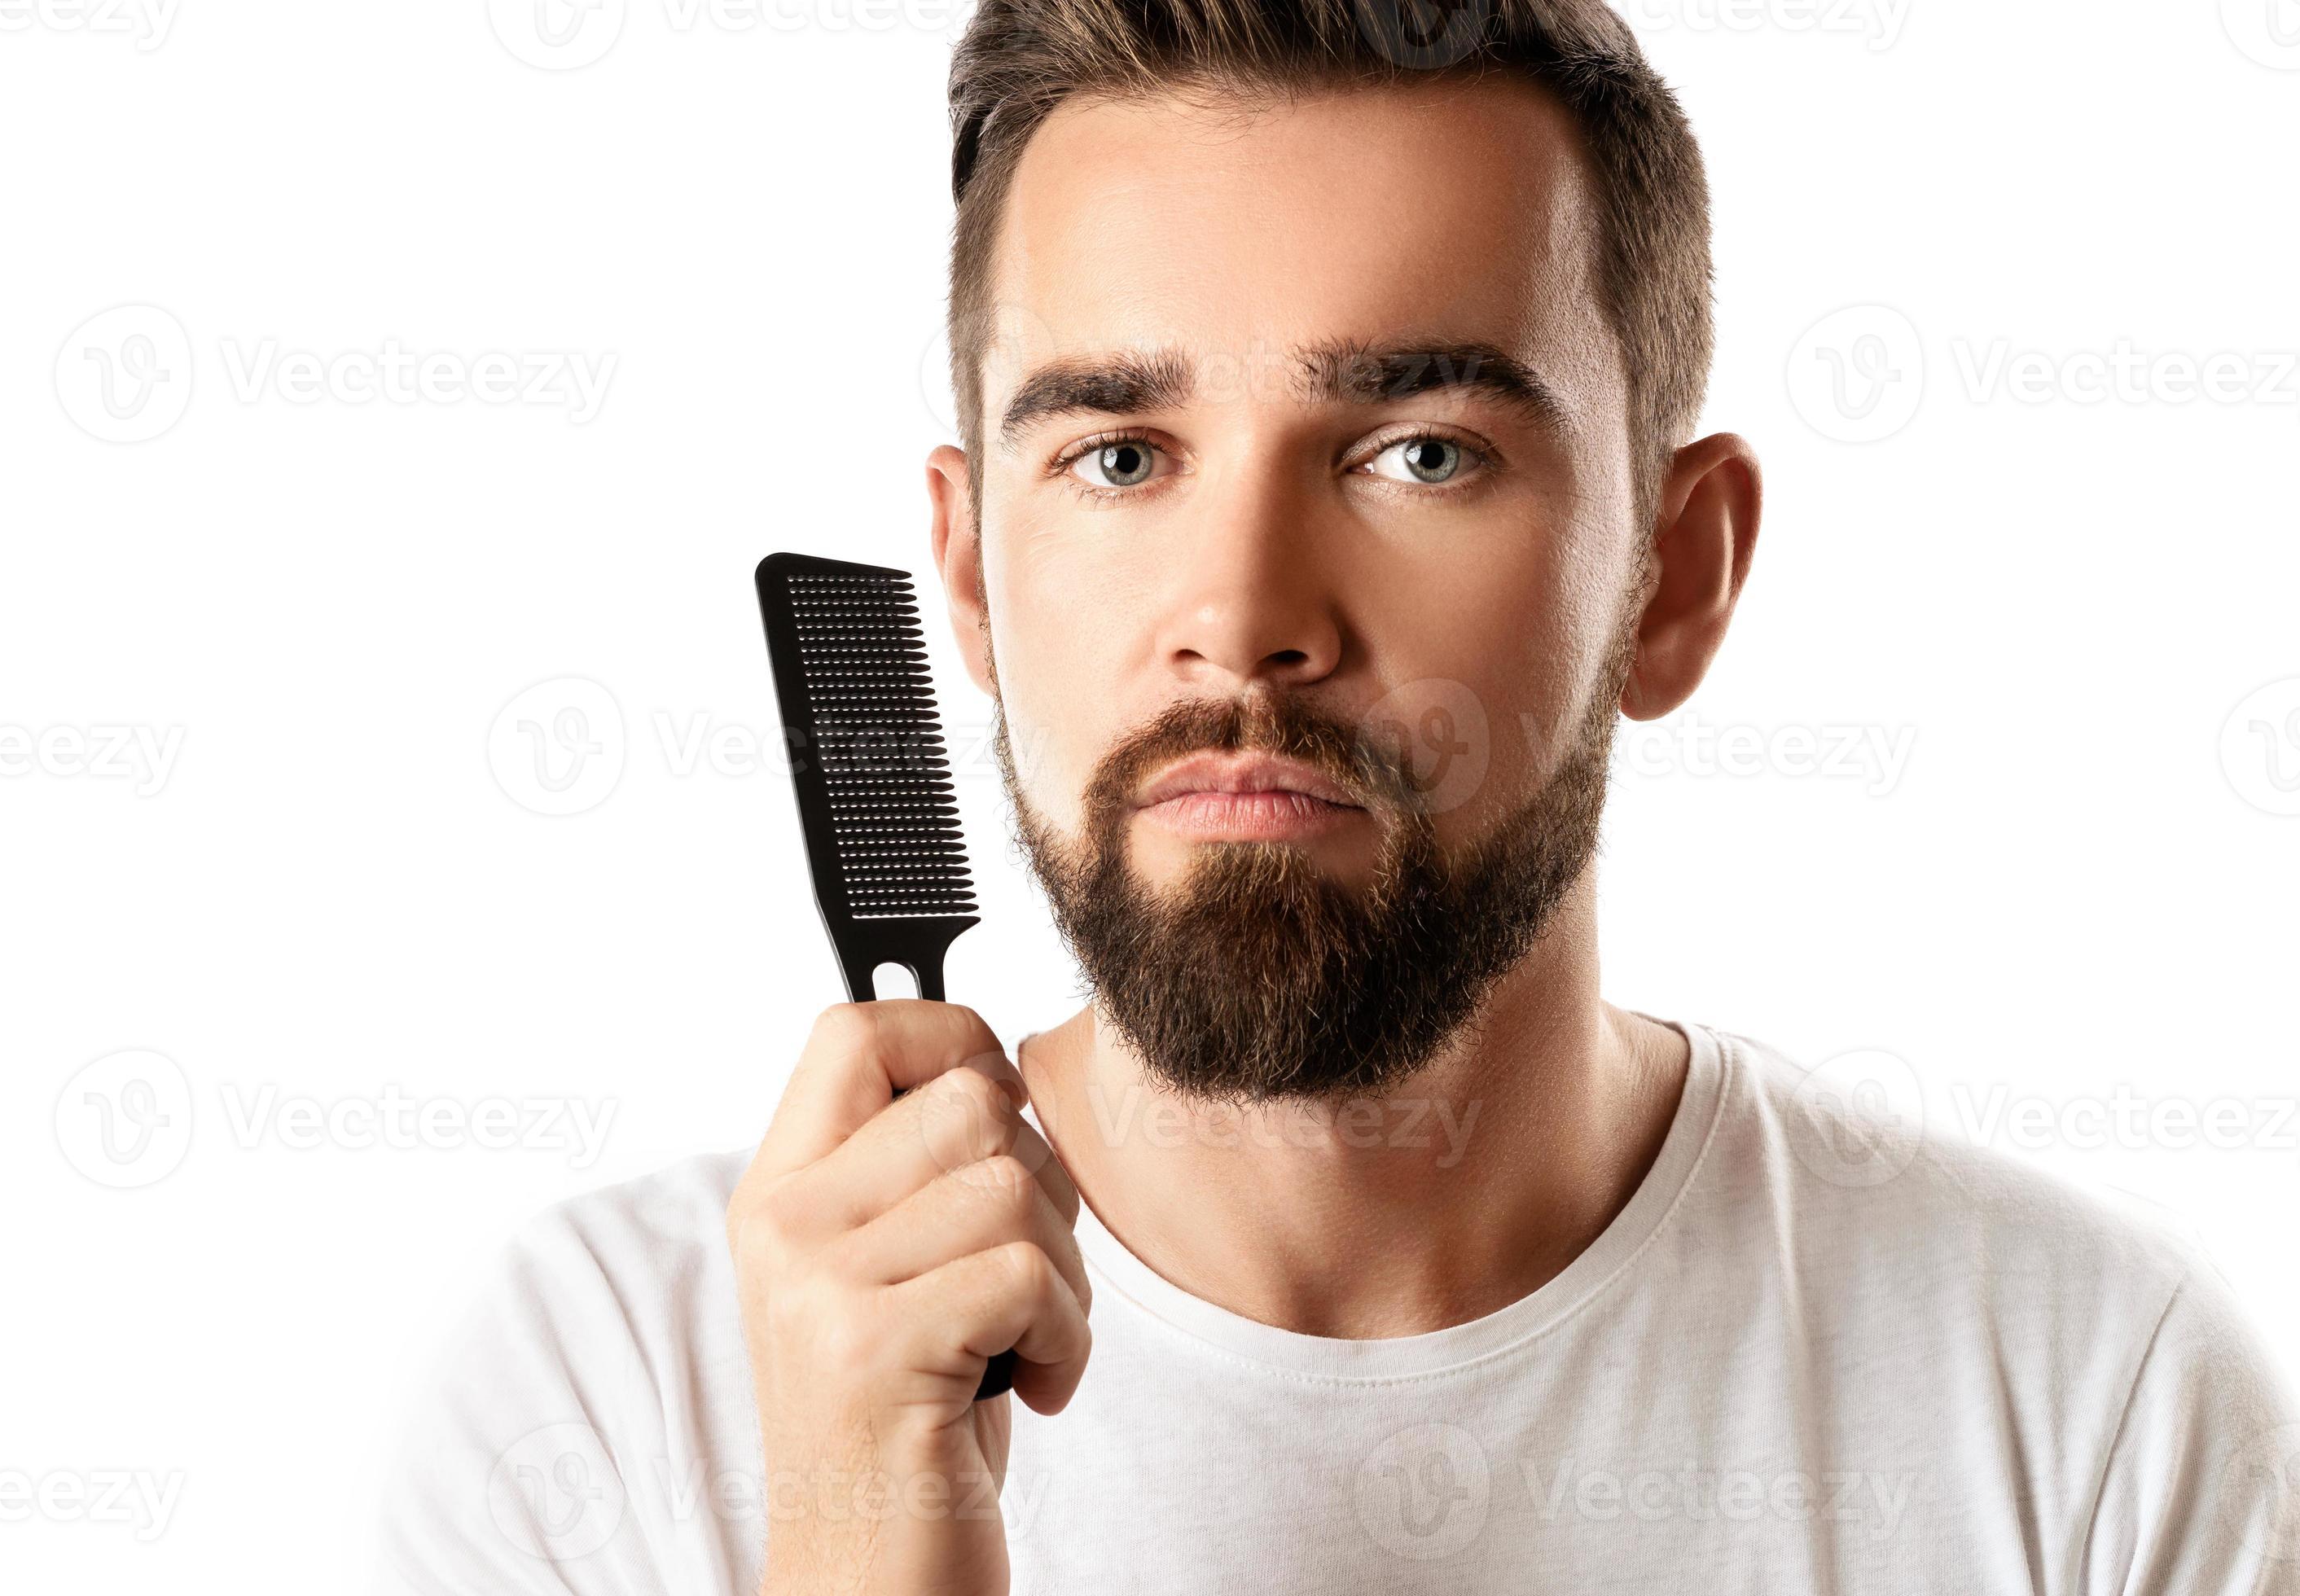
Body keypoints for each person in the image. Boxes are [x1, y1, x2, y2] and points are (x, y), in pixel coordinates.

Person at [380, 1, 2300, 1589]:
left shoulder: (2083, 1411)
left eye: (1417, 451)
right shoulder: (607, 1401)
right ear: (965, 576)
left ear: (1676, 576)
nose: (1240, 619)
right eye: (1120, 456)